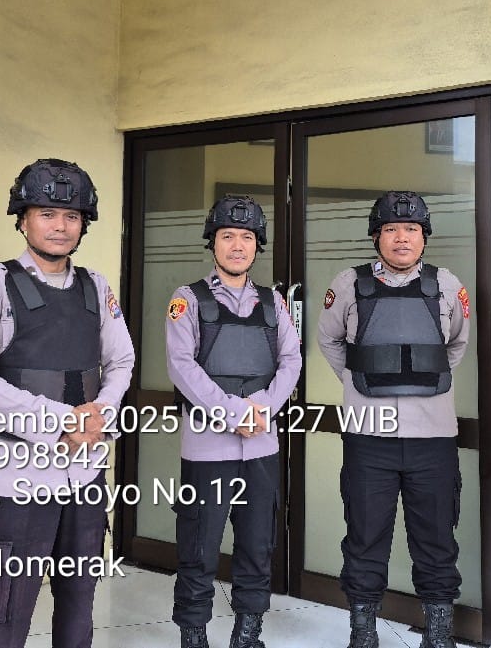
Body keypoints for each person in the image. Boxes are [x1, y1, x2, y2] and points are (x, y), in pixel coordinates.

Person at [0, 158, 135, 648]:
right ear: (23, 220)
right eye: (47, 213)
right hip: (17, 476)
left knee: (78, 610)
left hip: (84, 474)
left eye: (72, 216)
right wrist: (61, 421)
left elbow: (121, 361)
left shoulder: (96, 286)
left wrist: (99, 415)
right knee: (0, 618)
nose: (60, 226)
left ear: (83, 225)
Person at [317, 190, 471, 648]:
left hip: (433, 436)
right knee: (365, 536)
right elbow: (329, 340)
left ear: (424, 237)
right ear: (376, 236)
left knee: (436, 537)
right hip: (369, 436)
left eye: (411, 229)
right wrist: (359, 382)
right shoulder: (349, 284)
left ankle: (438, 634)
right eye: (391, 229)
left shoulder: (447, 285)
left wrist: (420, 380)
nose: (401, 237)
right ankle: (363, 632)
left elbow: (456, 345)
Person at [166, 195, 302, 648]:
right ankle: (193, 635)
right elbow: (181, 366)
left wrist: (261, 407)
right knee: (199, 547)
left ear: (257, 245)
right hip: (207, 448)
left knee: (257, 546)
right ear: (213, 243)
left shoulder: (274, 303)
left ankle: (248, 635)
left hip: (262, 446)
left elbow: (291, 361)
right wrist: (233, 413)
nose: (238, 246)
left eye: (247, 237)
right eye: (228, 236)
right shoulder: (188, 299)